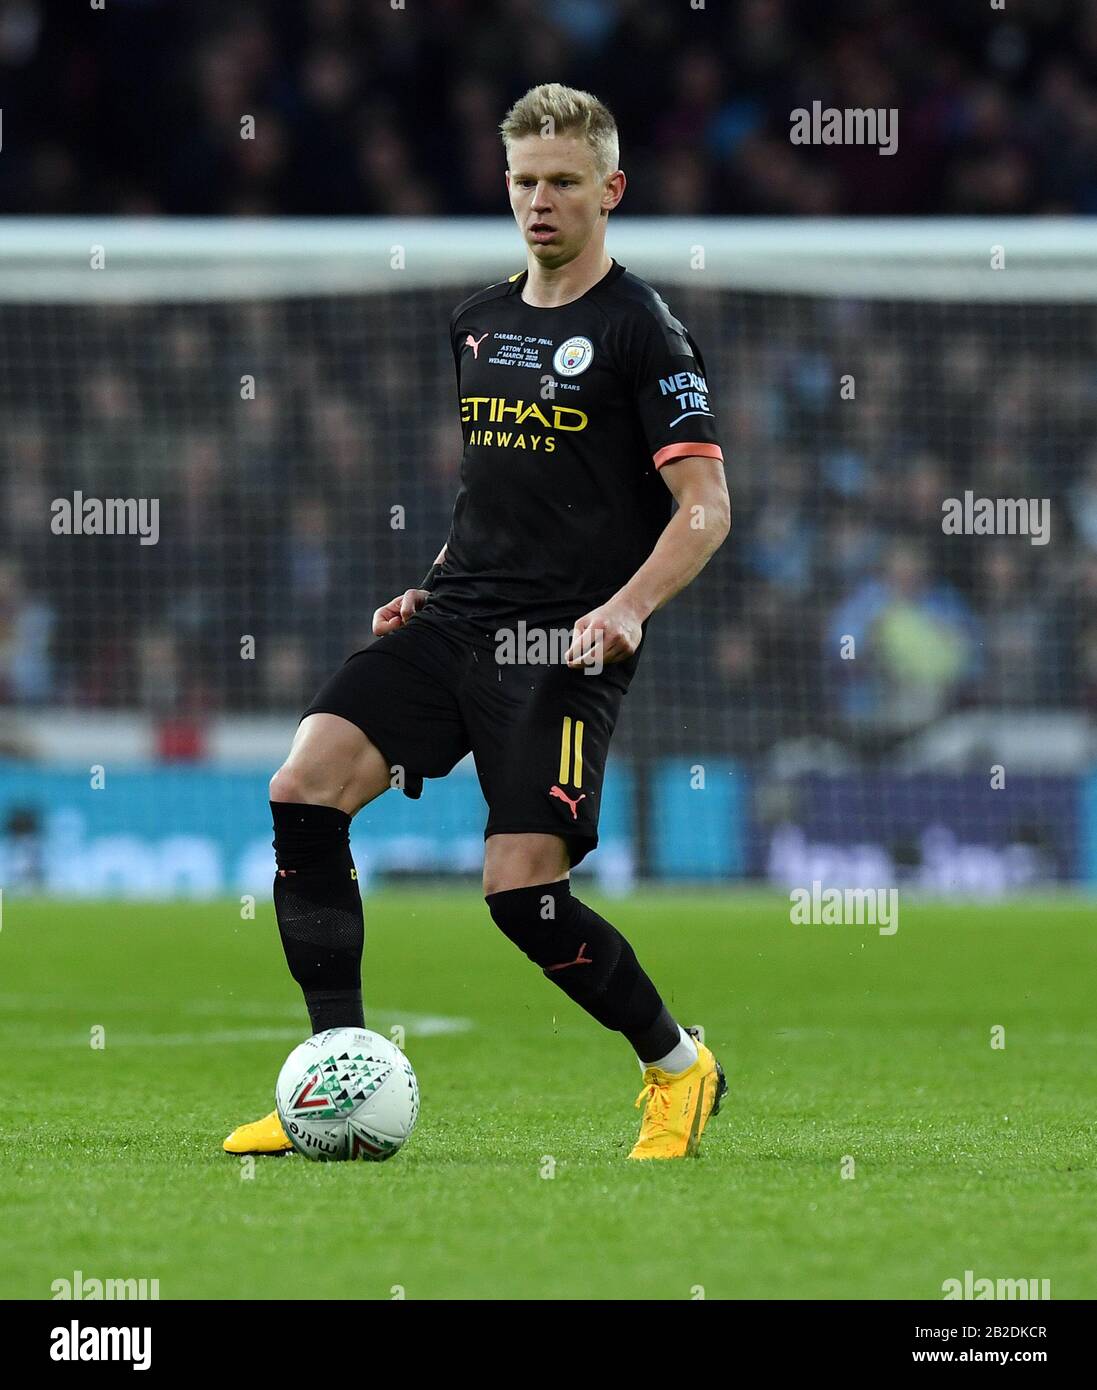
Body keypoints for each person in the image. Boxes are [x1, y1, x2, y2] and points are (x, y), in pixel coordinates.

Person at [224, 82, 731, 1161]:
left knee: (518, 893)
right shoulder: (479, 323)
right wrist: (433, 575)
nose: (539, 202)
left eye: (562, 183)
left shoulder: (644, 334)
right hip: (454, 616)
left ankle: (678, 1068)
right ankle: (334, 1081)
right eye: (523, 182)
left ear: (610, 191)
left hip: (561, 642)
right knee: (301, 787)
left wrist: (625, 608)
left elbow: (705, 509)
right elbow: (497, 497)